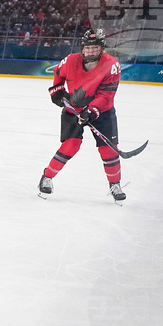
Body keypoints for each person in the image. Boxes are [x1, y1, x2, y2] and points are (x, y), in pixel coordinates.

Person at [38, 28, 126, 202]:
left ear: (102, 48)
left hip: (103, 111)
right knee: (71, 146)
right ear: (82, 48)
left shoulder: (112, 65)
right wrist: (56, 91)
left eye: (95, 47)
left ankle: (115, 184)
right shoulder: (70, 61)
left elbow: (106, 95)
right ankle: (47, 177)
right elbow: (58, 74)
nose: (91, 51)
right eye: (87, 47)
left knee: (108, 149)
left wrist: (92, 111)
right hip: (74, 107)